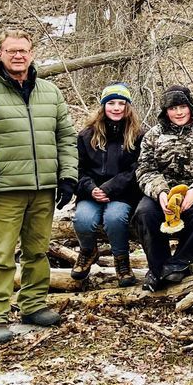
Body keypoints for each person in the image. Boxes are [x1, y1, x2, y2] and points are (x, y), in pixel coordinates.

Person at [0, 30, 78, 344]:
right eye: (11, 51)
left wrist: (67, 177)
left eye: (23, 50)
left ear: (32, 53)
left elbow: (65, 138)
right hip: (4, 189)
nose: (18, 56)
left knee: (37, 252)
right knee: (1, 254)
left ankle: (33, 305)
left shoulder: (50, 92)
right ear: (0, 54)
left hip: (43, 189)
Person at [135, 85, 193, 291]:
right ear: (165, 111)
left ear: (191, 107)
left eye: (183, 107)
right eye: (172, 108)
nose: (178, 113)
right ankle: (158, 268)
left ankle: (178, 264)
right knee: (144, 212)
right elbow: (144, 169)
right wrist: (160, 192)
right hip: (164, 191)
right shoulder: (153, 135)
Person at [72, 83, 144, 288]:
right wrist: (90, 188)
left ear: (128, 107)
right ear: (103, 106)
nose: (116, 108)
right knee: (82, 219)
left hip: (122, 194)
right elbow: (78, 169)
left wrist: (109, 188)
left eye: (121, 103)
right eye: (111, 103)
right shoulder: (87, 135)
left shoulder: (137, 135)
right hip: (90, 193)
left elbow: (137, 169)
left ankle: (122, 261)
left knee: (115, 218)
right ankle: (87, 251)